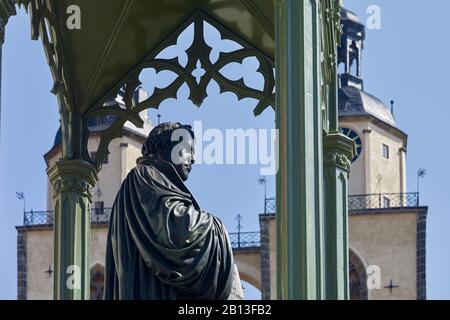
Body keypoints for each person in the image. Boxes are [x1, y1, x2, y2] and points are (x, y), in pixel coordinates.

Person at [104, 122, 234, 299]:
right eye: (188, 149)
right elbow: (175, 232)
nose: (193, 159)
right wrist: (216, 228)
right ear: (167, 146)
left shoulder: (157, 182)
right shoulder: (144, 176)